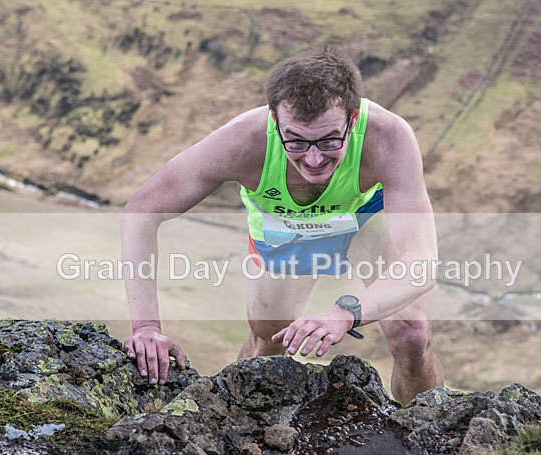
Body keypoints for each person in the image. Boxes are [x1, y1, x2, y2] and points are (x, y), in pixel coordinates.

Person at [121, 48, 443, 404]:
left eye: (329, 140)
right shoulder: (242, 141)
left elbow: (420, 263)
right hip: (286, 228)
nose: (314, 158)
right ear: (275, 122)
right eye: (297, 141)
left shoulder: (389, 138)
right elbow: (142, 211)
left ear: (352, 119)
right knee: (268, 343)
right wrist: (146, 327)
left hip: (365, 215)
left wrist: (343, 314)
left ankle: (431, 440)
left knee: (411, 334)